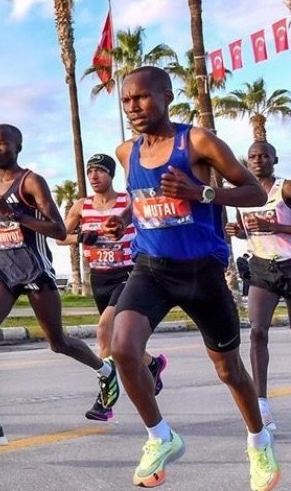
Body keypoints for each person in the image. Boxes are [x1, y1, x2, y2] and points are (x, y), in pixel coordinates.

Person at [103, 66, 277, 490]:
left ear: (166, 96)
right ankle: (161, 437)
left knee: (229, 370)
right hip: (152, 269)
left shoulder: (197, 141)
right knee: (122, 347)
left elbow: (254, 192)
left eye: (142, 98)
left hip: (201, 272)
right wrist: (123, 217)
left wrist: (202, 193)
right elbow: (142, 195)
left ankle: (258, 441)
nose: (133, 108)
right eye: (126, 101)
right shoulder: (127, 151)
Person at [0, 124, 114, 447]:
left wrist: (17, 213)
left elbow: (58, 230)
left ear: (18, 147)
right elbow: (0, 228)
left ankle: (104, 370)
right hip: (1, 269)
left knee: (57, 342)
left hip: (35, 271)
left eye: (2, 143)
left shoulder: (30, 181)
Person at [57, 154, 167, 421]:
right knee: (118, 341)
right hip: (99, 277)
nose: (94, 176)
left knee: (105, 329)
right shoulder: (81, 206)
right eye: (90, 171)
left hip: (128, 273)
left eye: (100, 171)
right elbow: (60, 236)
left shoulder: (126, 202)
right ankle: (152, 363)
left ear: (111, 175)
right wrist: (81, 236)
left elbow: (151, 221)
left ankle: (104, 400)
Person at [225, 141, 291, 434]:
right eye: (252, 156)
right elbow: (247, 233)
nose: (258, 159)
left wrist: (278, 228)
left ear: (274, 159)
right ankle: (261, 404)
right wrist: (237, 232)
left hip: (290, 263)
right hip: (262, 267)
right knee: (256, 331)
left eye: (263, 155)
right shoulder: (243, 196)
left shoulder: (285, 189)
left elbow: (274, 229)